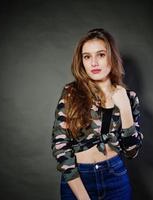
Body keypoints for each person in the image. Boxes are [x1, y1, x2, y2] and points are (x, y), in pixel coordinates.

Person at [51, 28, 144, 200]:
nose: (93, 63)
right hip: (79, 180)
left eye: (100, 55)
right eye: (87, 56)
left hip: (115, 177)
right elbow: (60, 147)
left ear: (111, 57)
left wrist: (124, 107)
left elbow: (132, 151)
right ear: (82, 61)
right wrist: (83, 197)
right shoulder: (71, 93)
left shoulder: (129, 97)